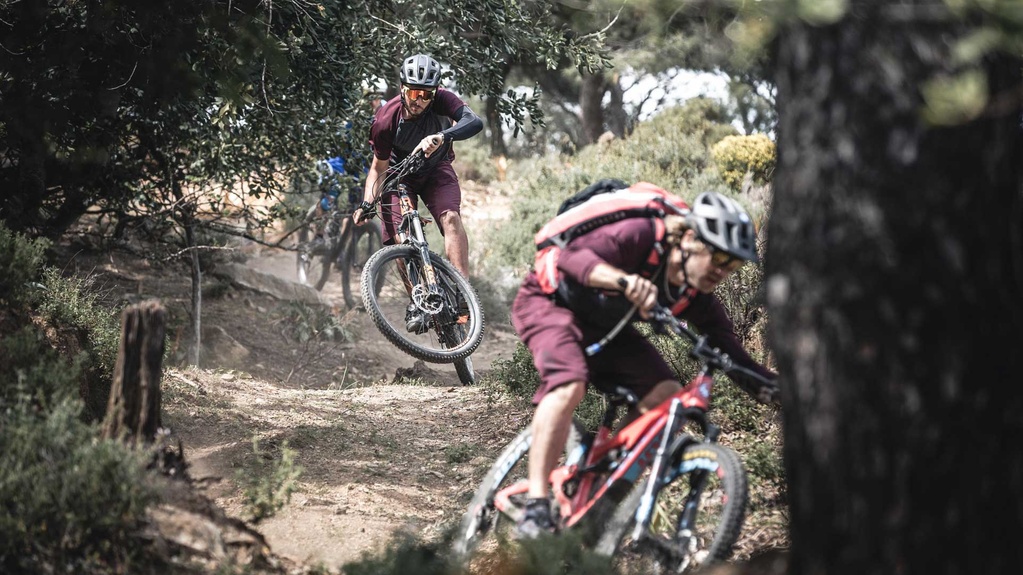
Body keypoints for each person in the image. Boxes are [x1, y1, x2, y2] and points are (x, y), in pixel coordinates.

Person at [509, 187, 779, 538]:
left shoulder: (697, 296)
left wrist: (778, 392)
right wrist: (622, 280)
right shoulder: (643, 235)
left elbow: (733, 355)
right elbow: (570, 259)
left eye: (734, 264)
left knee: (667, 397)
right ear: (692, 239)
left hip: (606, 327)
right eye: (719, 257)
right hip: (550, 302)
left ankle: (600, 489)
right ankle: (537, 505)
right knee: (569, 384)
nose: (723, 271)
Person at [351, 53, 483, 332]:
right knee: (400, 241)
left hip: (436, 170)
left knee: (451, 219)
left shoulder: (443, 99)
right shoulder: (387, 119)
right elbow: (378, 169)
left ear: (434, 92)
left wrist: (443, 136)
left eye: (426, 94)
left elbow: (474, 121)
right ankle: (418, 301)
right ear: (402, 89)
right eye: (413, 92)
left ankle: (462, 294)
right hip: (399, 177)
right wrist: (366, 202)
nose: (419, 100)